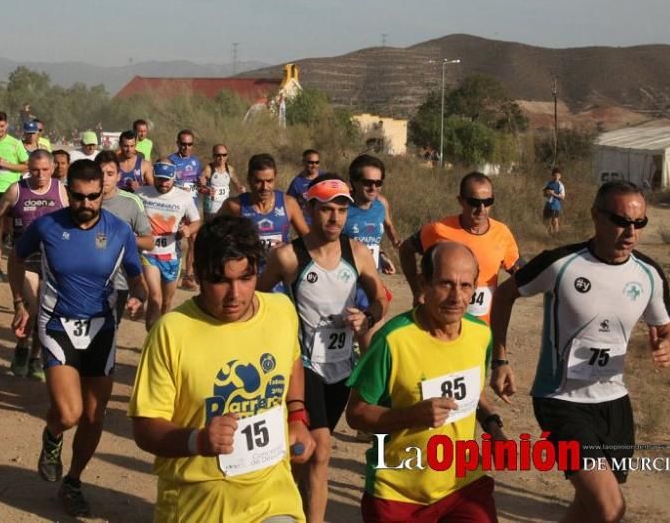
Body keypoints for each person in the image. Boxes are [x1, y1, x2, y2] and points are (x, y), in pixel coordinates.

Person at [490, 180, 670, 523]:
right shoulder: (560, 263)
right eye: (621, 221)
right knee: (610, 508)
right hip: (560, 401)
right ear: (596, 216)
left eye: (639, 224)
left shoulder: (649, 273)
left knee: (589, 503)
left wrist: (668, 346)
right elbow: (504, 296)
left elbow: (668, 328)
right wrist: (500, 359)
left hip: (614, 403)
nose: (631, 233)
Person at [129, 214, 315, 522]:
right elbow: (145, 428)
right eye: (220, 281)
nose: (235, 295)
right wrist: (198, 441)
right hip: (197, 503)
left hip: (273, 497)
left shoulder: (282, 311)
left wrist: (297, 416)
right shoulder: (172, 332)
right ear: (199, 274)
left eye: (246, 278)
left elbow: (292, 360)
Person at [11, 159, 146, 518]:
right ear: (68, 191)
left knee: (93, 415)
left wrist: (138, 294)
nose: (86, 205)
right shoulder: (46, 226)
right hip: (57, 326)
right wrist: (20, 303)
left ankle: (73, 480)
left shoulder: (119, 231)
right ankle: (52, 436)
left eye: (93, 197)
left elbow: (136, 275)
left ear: (102, 193)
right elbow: (17, 257)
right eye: (79, 197)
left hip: (102, 328)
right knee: (69, 413)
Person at [258, 175, 384, 523]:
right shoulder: (287, 256)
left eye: (342, 210)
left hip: (343, 367)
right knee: (322, 449)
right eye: (327, 210)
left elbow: (380, 298)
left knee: (306, 453)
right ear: (311, 209)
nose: (335, 218)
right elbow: (257, 297)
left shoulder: (356, 253)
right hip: (304, 366)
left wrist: (368, 315)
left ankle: (283, 504)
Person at [346, 242, 498, 523]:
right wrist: (412, 415)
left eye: (466, 285)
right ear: (423, 283)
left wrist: (492, 424)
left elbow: (473, 394)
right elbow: (356, 414)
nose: (457, 296)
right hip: (397, 493)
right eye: (446, 284)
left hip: (463, 485)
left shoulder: (481, 335)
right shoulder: (393, 341)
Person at [399, 172, 519, 324]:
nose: (481, 209)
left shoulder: (502, 233)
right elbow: (405, 249)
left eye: (488, 201)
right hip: (441, 324)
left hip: (483, 328)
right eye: (474, 202)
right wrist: (417, 290)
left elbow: (516, 267)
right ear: (461, 201)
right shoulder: (439, 230)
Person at [0, 149, 68, 379]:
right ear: (28, 168)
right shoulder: (17, 190)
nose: (40, 174)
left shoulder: (61, 190)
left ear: (52, 168)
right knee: (32, 308)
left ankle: (33, 357)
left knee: (46, 314)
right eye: (35, 169)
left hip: (53, 261)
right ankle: (23, 347)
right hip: (24, 258)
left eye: (45, 169)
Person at [219, 153, 310, 274]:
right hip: (248, 277)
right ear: (249, 179)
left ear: (275, 178)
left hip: (280, 279)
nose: (265, 187)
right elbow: (211, 236)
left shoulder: (288, 204)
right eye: (258, 181)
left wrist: (289, 250)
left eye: (269, 181)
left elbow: (309, 240)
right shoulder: (234, 206)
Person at [95, 151, 157, 327]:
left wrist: (123, 239)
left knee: (108, 332)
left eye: (110, 174)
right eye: (100, 173)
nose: (105, 179)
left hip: (119, 281)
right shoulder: (84, 200)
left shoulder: (131, 202)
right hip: (88, 278)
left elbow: (149, 242)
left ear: (119, 176)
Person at [136, 160, 202, 315]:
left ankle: (162, 331)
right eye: (160, 179)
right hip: (148, 253)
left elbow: (196, 221)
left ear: (174, 178)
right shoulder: (141, 193)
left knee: (166, 303)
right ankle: (152, 337)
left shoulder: (184, 197)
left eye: (167, 179)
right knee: (155, 298)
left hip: (172, 256)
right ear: (154, 176)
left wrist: (188, 229)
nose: (163, 183)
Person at [0, 111, 30, 283]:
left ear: (7, 125)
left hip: (14, 190)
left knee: (10, 230)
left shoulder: (15, 144)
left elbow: (26, 166)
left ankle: (16, 264)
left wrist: (7, 164)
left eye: (2, 126)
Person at [344, 154, 403, 275]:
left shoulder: (381, 204)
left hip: (371, 276)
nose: (373, 188)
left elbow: (386, 226)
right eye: (367, 182)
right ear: (354, 182)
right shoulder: (341, 207)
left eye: (378, 183)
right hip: (344, 277)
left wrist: (382, 257)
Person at [168, 129, 203, 290]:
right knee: (174, 240)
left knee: (194, 239)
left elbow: (200, 185)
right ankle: (169, 271)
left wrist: (204, 185)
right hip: (174, 206)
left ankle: (188, 276)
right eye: (183, 144)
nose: (186, 147)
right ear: (177, 143)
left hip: (191, 207)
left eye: (189, 144)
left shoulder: (196, 162)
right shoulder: (170, 160)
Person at [198, 144, 243, 218]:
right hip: (211, 211)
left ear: (227, 156)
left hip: (225, 209)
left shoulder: (230, 169)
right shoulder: (208, 169)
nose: (221, 158)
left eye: (224, 155)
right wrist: (206, 191)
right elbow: (199, 188)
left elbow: (237, 185)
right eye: (218, 155)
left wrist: (241, 188)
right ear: (214, 156)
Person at [287, 150, 322, 222]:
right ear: (303, 162)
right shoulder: (297, 183)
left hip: (324, 222)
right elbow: (288, 203)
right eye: (311, 162)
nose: (314, 165)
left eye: (317, 162)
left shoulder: (325, 178)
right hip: (307, 224)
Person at [544, 167, 567, 236]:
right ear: (552, 176)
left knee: (555, 221)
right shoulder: (549, 183)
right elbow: (544, 194)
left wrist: (553, 194)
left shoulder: (561, 185)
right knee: (546, 220)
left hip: (556, 205)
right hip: (548, 204)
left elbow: (563, 197)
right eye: (555, 175)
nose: (556, 177)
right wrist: (547, 193)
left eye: (558, 175)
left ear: (560, 176)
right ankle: (549, 235)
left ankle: (556, 235)